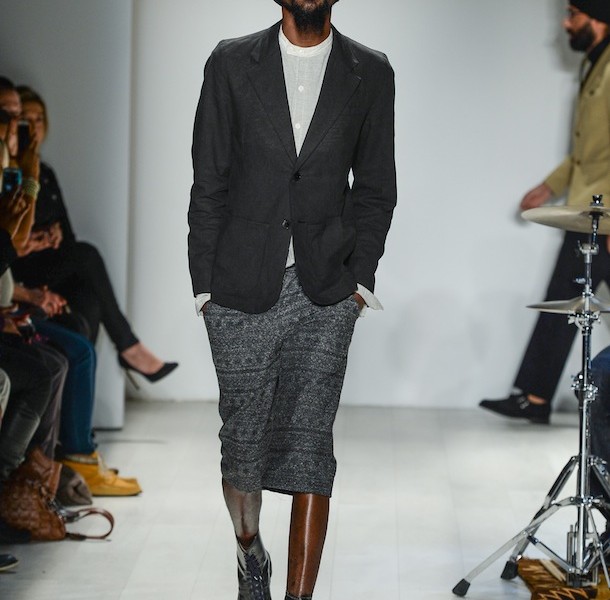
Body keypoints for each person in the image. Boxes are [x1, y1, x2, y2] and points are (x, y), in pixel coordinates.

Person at [188, 1, 396, 598]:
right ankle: (249, 547)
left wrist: (359, 283)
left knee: (311, 446)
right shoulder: (231, 62)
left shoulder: (370, 71)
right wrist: (204, 287)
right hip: (238, 283)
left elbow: (376, 186)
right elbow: (209, 176)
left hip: (326, 287)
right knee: (242, 449)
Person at [480, 0, 610, 425]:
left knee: (567, 299)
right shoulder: (593, 64)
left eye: (573, 14)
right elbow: (584, 152)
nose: (566, 24)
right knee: (565, 300)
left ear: (598, 17)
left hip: (606, 215)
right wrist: (548, 187)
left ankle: (535, 397)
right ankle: (535, 397)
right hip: (589, 211)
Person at [0, 81, 178, 383]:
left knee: (89, 301)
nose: (30, 126)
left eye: (37, 118)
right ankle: (129, 347)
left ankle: (82, 410)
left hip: (51, 266)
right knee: (87, 254)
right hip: (18, 270)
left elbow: (66, 235)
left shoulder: (44, 172)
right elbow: (12, 238)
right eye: (21, 118)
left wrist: (53, 237)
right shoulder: (14, 172)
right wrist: (32, 241)